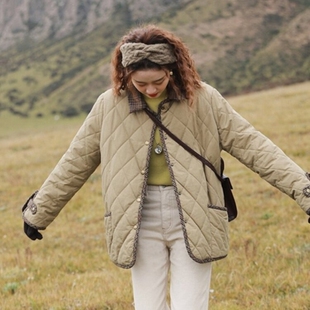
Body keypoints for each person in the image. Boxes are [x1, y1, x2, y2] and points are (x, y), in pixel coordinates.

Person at [22, 24, 310, 310]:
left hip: (196, 211)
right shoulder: (108, 106)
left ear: (171, 69)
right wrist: (39, 212)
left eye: (157, 81)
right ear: (126, 74)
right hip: (138, 218)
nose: (150, 89)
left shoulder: (204, 98)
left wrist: (304, 191)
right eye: (140, 83)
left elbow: (254, 147)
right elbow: (75, 162)